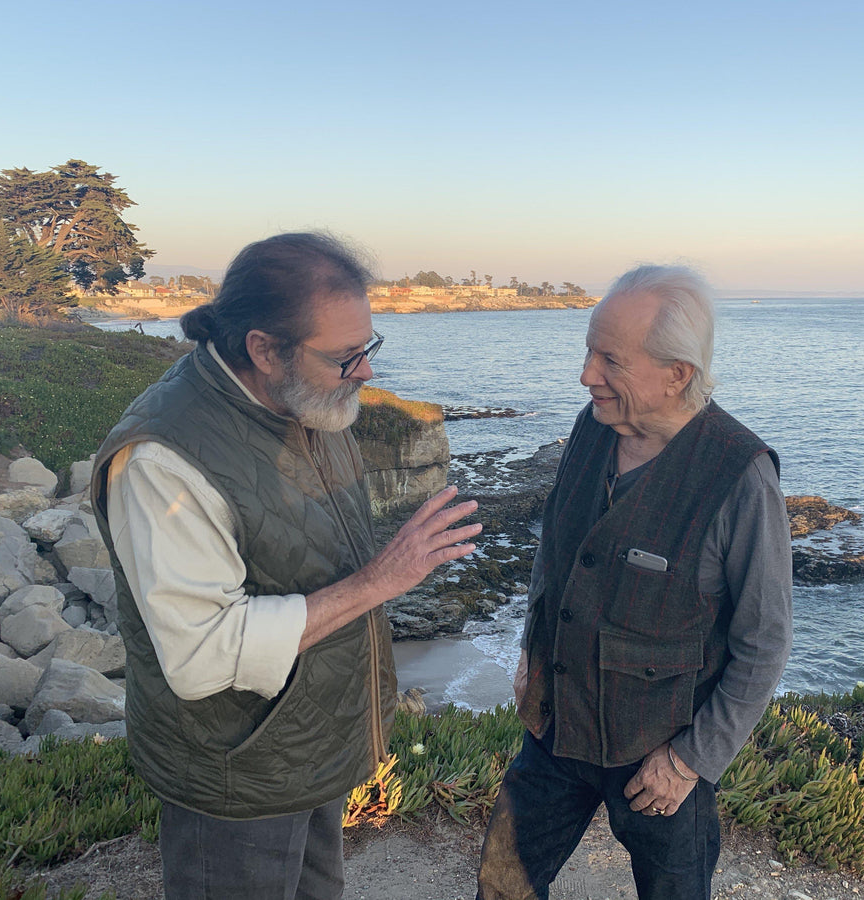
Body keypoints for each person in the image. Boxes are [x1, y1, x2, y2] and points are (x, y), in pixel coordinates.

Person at [91, 232, 482, 900]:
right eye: (344, 358)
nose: (365, 372)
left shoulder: (304, 400)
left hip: (310, 749)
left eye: (369, 347)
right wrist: (382, 581)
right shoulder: (163, 460)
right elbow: (201, 657)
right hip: (237, 774)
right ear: (263, 349)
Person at [477, 265, 793, 900]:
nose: (587, 374)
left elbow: (763, 643)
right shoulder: (591, 427)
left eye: (610, 359)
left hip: (659, 756)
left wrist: (690, 762)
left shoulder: (741, 476)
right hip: (557, 728)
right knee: (502, 885)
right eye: (589, 351)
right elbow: (556, 548)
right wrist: (528, 655)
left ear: (677, 373)